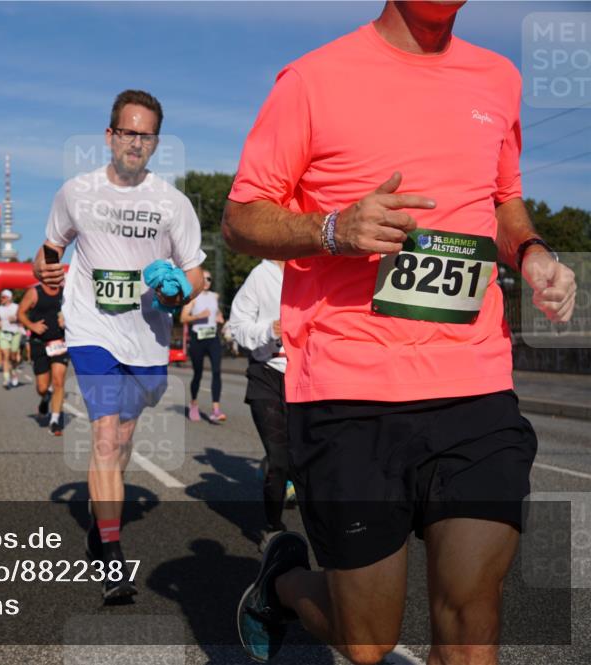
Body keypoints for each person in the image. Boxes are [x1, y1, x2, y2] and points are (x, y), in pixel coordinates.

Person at [222, 3, 578, 663]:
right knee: (366, 640)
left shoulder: (497, 77)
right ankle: (286, 581)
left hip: (473, 384)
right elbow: (242, 218)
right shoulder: (313, 78)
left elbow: (502, 200)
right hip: (351, 391)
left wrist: (532, 253)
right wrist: (333, 228)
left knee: (471, 627)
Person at [35, 89, 206, 602]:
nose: (136, 142)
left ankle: (98, 523)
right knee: (106, 437)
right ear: (110, 136)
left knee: (124, 440)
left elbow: (196, 271)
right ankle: (111, 557)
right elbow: (50, 249)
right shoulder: (75, 192)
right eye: (127, 132)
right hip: (92, 331)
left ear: (157, 142)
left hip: (147, 337)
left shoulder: (171, 203)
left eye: (146, 135)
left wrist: (181, 288)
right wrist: (43, 270)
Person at [225, 260, 289, 555]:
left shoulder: (315, 268)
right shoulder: (261, 275)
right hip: (267, 374)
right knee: (279, 459)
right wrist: (270, 329)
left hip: (310, 374)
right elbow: (236, 328)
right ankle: (273, 528)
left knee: (306, 459)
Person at [18, 279, 68, 435]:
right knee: (42, 387)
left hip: (59, 342)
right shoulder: (35, 292)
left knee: (59, 381)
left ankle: (55, 421)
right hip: (39, 343)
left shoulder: (65, 292)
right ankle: (46, 397)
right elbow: (20, 312)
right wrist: (32, 326)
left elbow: (77, 310)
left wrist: (66, 320)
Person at [180, 270, 226, 423]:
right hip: (197, 338)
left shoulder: (215, 296)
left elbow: (216, 312)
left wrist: (219, 317)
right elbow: (182, 317)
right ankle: (193, 403)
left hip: (212, 338)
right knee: (198, 374)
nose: (206, 281)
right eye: (203, 278)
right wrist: (198, 316)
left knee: (217, 371)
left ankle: (216, 409)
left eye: (209, 279)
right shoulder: (192, 297)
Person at [0, 289, 22, 388]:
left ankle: (14, 372)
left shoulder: (16, 307)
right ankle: (6, 379)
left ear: (9, 298)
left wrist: (16, 318)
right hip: (4, 334)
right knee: (5, 356)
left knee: (13, 356)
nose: (1, 299)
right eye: (1, 297)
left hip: (15, 333)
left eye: (3, 297)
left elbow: (22, 318)